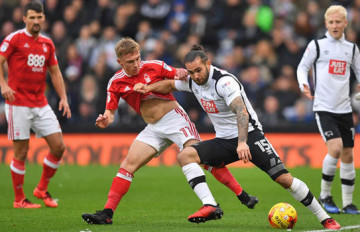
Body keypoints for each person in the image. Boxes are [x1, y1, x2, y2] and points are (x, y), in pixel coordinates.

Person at [134, 45, 341, 229]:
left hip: (249, 135)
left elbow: (241, 112)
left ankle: (325, 219)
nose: (195, 76)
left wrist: (242, 142)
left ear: (208, 63)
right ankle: (210, 205)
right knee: (185, 156)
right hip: (225, 140)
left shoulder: (224, 82)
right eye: (190, 72)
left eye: (198, 70)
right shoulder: (193, 81)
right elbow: (170, 85)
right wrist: (148, 88)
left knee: (284, 179)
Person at [81, 37, 258, 225]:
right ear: (119, 62)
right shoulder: (115, 82)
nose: (136, 64)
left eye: (137, 59)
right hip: (153, 128)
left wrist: (180, 72)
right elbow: (110, 113)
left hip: (175, 119)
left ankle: (241, 195)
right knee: (127, 166)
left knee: (203, 158)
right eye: (130, 62)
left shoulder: (154, 66)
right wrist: (105, 119)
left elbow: (178, 74)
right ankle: (107, 213)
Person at [0, 1, 71, 208]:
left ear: (44, 18)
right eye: (32, 17)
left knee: (59, 147)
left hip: (40, 102)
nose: (36, 21)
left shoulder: (47, 43)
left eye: (39, 17)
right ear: (24, 19)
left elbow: (55, 72)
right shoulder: (14, 39)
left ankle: (40, 189)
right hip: (18, 103)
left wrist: (64, 98)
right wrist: (3, 84)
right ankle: (19, 199)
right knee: (21, 152)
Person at [297, 5, 360, 215]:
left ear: (345, 23)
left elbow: (359, 72)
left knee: (349, 155)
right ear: (326, 23)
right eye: (331, 22)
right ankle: (325, 195)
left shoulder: (351, 49)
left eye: (338, 22)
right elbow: (302, 67)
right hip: (324, 107)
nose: (335, 25)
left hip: (344, 109)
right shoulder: (317, 45)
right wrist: (303, 84)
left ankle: (348, 203)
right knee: (335, 149)